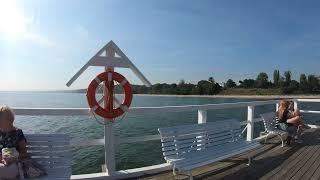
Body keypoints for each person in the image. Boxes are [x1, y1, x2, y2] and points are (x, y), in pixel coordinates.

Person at [0, 106, 27, 179]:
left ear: (8, 121)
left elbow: (24, 153)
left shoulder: (18, 133)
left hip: (14, 165)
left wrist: (14, 158)